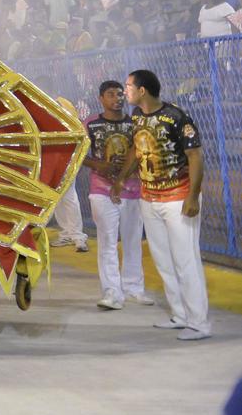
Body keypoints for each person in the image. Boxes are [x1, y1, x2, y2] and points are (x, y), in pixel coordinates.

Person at [114, 69, 210, 340]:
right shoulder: (137, 116)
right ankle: (180, 315)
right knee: (164, 261)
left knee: (185, 260)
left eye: (129, 86)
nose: (126, 91)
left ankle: (199, 323)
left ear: (142, 90)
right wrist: (122, 177)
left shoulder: (176, 117)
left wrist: (193, 196)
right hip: (150, 198)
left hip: (178, 198)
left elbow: (195, 155)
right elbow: (135, 147)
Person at [84, 81, 150, 309]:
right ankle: (112, 291)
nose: (117, 98)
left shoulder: (135, 124)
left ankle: (134, 288)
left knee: (133, 241)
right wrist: (98, 165)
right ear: (101, 98)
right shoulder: (91, 124)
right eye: (111, 94)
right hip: (101, 190)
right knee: (108, 241)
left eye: (120, 94)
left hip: (132, 190)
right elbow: (78, 153)